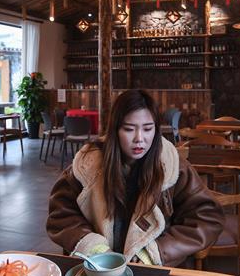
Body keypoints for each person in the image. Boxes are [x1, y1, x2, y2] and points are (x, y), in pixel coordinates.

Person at [46, 89, 224, 266]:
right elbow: (61, 214)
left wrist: (156, 251)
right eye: (129, 129)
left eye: (148, 129)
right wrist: (93, 247)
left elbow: (207, 217)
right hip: (98, 267)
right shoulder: (88, 165)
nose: (139, 139)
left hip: (155, 269)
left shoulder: (171, 165)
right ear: (115, 130)